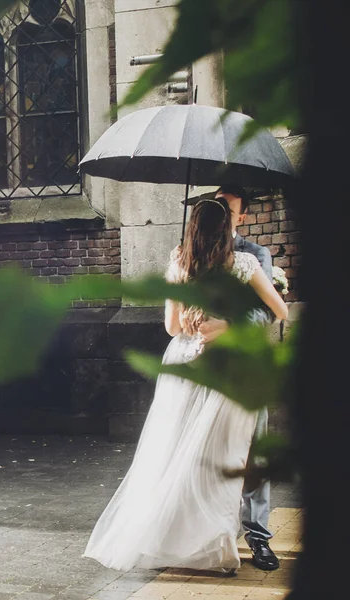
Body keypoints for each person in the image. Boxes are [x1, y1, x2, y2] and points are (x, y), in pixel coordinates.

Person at [83, 198, 288, 573]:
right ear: (229, 227)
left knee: (178, 452)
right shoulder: (243, 263)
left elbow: (172, 328)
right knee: (223, 458)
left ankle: (173, 539)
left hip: (183, 359)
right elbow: (280, 309)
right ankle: (216, 545)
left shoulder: (179, 262)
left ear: (192, 228)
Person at [199, 185, 280, 571]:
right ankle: (214, 533)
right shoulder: (193, 251)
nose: (220, 214)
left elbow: (267, 311)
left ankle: (259, 535)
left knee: (253, 451)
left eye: (227, 210)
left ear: (241, 217)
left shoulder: (254, 255)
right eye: (215, 207)